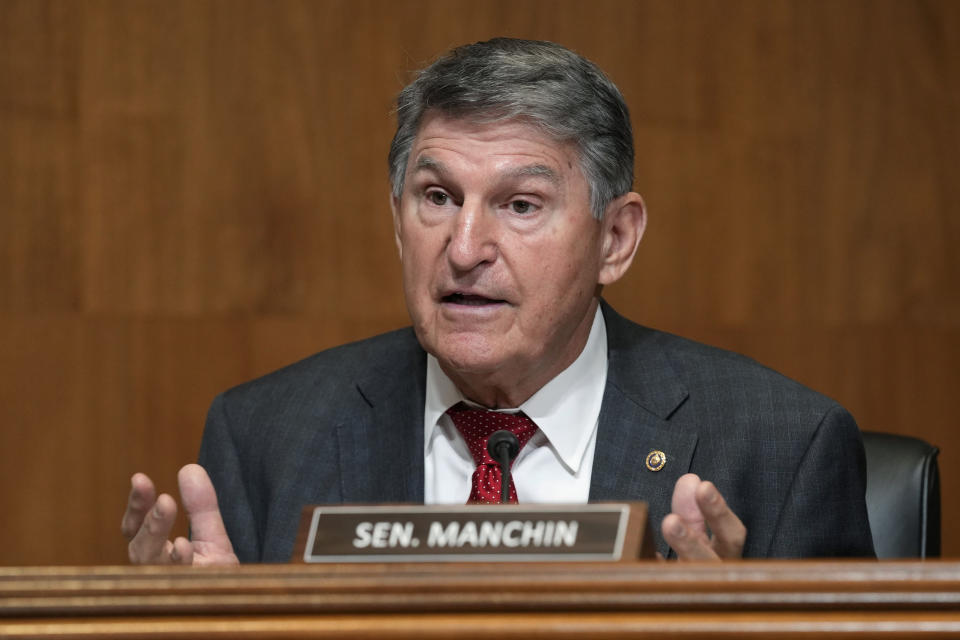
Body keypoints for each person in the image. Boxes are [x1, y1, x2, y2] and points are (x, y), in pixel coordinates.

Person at [122, 38, 875, 565]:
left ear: (615, 237)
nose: (463, 246)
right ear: (396, 222)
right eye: (438, 197)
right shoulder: (265, 438)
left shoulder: (781, 448)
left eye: (520, 205)